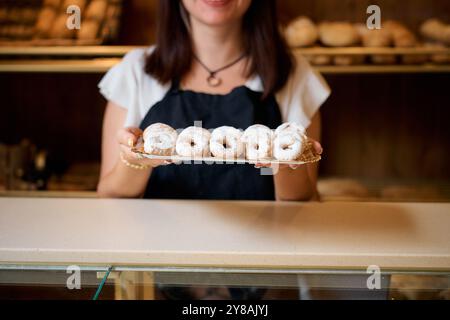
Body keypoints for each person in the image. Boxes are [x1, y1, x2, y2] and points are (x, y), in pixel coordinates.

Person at [97, 0, 330, 299]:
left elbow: (301, 206)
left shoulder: (294, 74)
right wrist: (138, 160)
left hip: (268, 281)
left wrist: (285, 162)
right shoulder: (135, 72)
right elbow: (109, 198)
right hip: (157, 279)